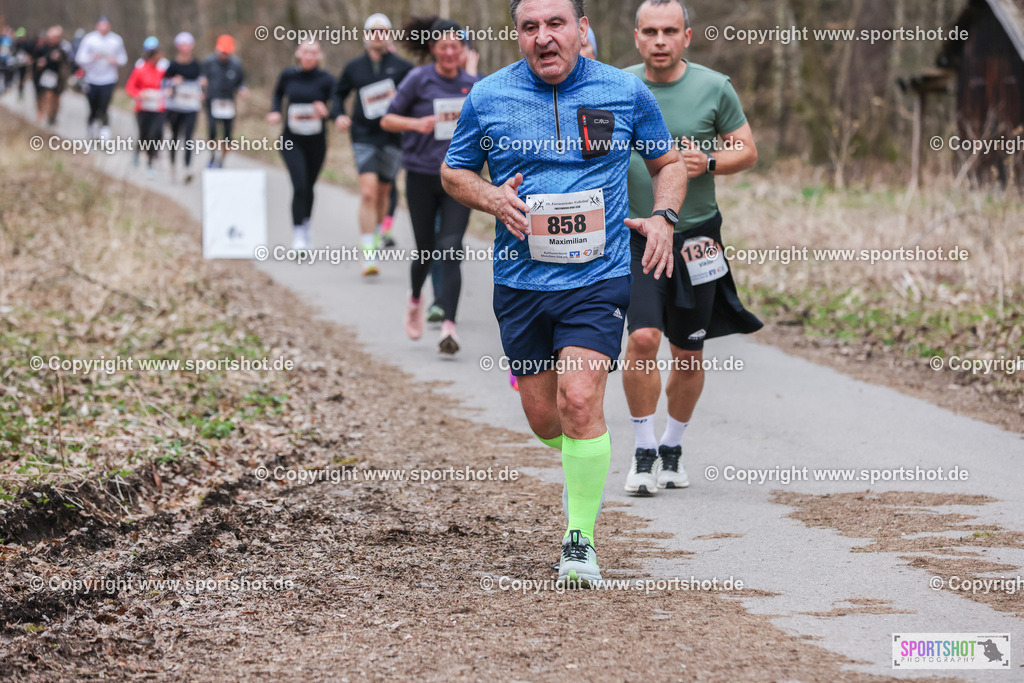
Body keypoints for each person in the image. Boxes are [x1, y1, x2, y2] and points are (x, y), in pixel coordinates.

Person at [441, 0, 685, 585]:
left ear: (581, 29)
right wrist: (492, 197)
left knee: (579, 400)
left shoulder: (624, 91)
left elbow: (668, 163)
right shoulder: (488, 95)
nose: (544, 37)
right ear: (517, 34)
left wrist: (664, 217)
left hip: (597, 278)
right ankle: (581, 442)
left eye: (556, 24)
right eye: (531, 27)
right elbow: (453, 171)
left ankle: (580, 541)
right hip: (520, 282)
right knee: (545, 418)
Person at [622, 0, 761, 495]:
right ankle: (642, 451)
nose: (660, 40)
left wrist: (711, 162)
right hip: (638, 233)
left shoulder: (714, 86)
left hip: (698, 237)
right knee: (642, 339)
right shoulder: (619, 86)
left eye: (670, 31)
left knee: (687, 352)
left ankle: (672, 447)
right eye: (650, 31)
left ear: (687, 36)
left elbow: (747, 149)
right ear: (637, 37)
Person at [381, 17, 480, 355]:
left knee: (451, 248)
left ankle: (449, 326)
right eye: (443, 46)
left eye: (456, 46)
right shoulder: (418, 79)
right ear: (433, 48)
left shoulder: (474, 84)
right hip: (422, 176)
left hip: (460, 178)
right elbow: (387, 119)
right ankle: (414, 299)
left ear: (464, 49)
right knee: (425, 250)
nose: (450, 52)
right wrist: (415, 124)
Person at [332, 13, 414, 276]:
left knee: (383, 193)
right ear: (365, 36)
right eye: (372, 32)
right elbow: (338, 93)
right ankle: (368, 254)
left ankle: (376, 235)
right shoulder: (354, 67)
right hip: (363, 135)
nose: (377, 36)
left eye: (382, 32)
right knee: (368, 192)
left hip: (392, 137)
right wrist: (338, 114)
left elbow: (415, 96)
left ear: (389, 36)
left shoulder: (402, 67)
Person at [268, 40, 335, 250]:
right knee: (299, 185)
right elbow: (277, 94)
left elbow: (337, 106)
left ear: (319, 55)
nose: (309, 56)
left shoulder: (326, 79)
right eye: (306, 52)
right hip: (291, 140)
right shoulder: (288, 75)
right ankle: (298, 233)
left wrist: (327, 112)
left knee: (309, 186)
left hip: (316, 142)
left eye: (313, 52)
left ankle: (306, 227)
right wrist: (275, 111)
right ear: (299, 53)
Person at [75, 16, 127, 140]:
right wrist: (91, 58)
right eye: (101, 26)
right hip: (91, 79)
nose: (104, 29)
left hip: (109, 79)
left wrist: (115, 61)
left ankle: (104, 132)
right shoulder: (89, 39)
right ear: (97, 26)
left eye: (106, 26)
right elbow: (79, 58)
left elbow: (123, 59)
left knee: (104, 106)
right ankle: (92, 127)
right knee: (93, 106)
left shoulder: (116, 40)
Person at [124, 36, 168, 179]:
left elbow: (170, 84)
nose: (158, 60)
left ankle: (150, 162)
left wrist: (170, 90)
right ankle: (137, 151)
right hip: (143, 109)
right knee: (144, 135)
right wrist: (139, 94)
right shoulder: (140, 68)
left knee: (156, 134)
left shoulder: (164, 69)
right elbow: (130, 87)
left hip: (159, 108)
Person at [201, 34, 247, 168]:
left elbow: (241, 82)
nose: (223, 55)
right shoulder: (209, 62)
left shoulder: (236, 65)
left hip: (228, 103)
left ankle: (222, 160)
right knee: (212, 131)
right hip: (212, 101)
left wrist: (242, 89)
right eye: (222, 52)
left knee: (227, 135)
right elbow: (202, 78)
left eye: (226, 53)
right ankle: (212, 156)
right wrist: (202, 87)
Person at [163, 32, 203, 183]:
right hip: (175, 107)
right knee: (174, 136)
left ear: (192, 46)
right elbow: (164, 84)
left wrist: (203, 89)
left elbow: (202, 82)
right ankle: (173, 165)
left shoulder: (196, 65)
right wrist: (172, 83)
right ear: (178, 47)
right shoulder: (173, 65)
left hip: (191, 107)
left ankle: (187, 168)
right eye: (182, 45)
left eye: (188, 45)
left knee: (188, 137)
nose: (185, 48)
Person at [31, 26, 73, 126]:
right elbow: (34, 59)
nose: (53, 39)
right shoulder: (42, 47)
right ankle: (42, 114)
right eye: (51, 37)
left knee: (56, 98)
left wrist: (60, 57)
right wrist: (39, 63)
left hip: (58, 77)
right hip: (44, 76)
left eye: (56, 37)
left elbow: (69, 60)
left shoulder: (64, 47)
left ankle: (53, 116)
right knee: (46, 96)